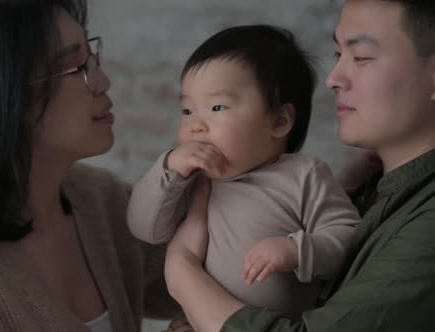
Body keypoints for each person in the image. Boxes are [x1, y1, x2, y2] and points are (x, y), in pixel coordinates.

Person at [0, 0, 179, 331]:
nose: (102, 80)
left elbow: (217, 274)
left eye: (92, 57)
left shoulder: (98, 199)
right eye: (78, 67)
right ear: (4, 98)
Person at [165, 0, 435, 331]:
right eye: (338, 56)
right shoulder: (371, 191)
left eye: (361, 57)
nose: (333, 79)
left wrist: (183, 276)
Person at [127, 25, 361, 330]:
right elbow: (144, 227)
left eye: (216, 107)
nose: (196, 125)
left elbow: (349, 237)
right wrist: (170, 166)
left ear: (279, 121)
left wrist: (296, 250)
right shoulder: (190, 181)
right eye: (187, 111)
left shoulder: (304, 175)